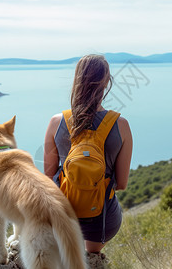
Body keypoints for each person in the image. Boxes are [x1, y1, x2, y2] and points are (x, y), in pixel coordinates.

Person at [44, 54, 133, 257]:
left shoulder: (56, 122)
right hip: (102, 222)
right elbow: (121, 184)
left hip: (62, 216)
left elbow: (48, 178)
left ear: (77, 81)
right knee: (90, 259)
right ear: (107, 83)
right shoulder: (121, 125)